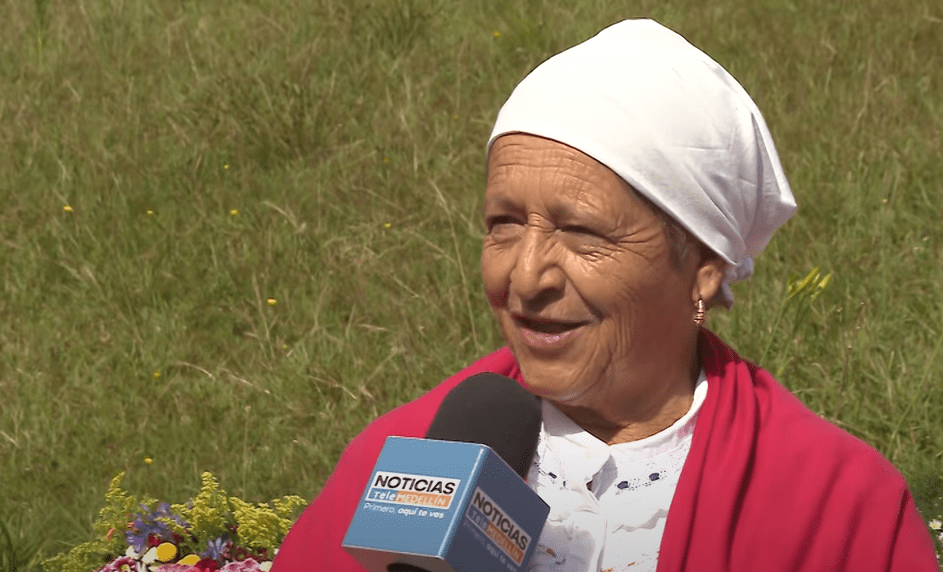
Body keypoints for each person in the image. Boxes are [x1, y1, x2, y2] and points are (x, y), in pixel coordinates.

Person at [271, 19, 939, 572]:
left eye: (581, 232)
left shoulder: (833, 504)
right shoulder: (402, 458)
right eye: (504, 224)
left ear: (703, 265)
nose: (525, 277)